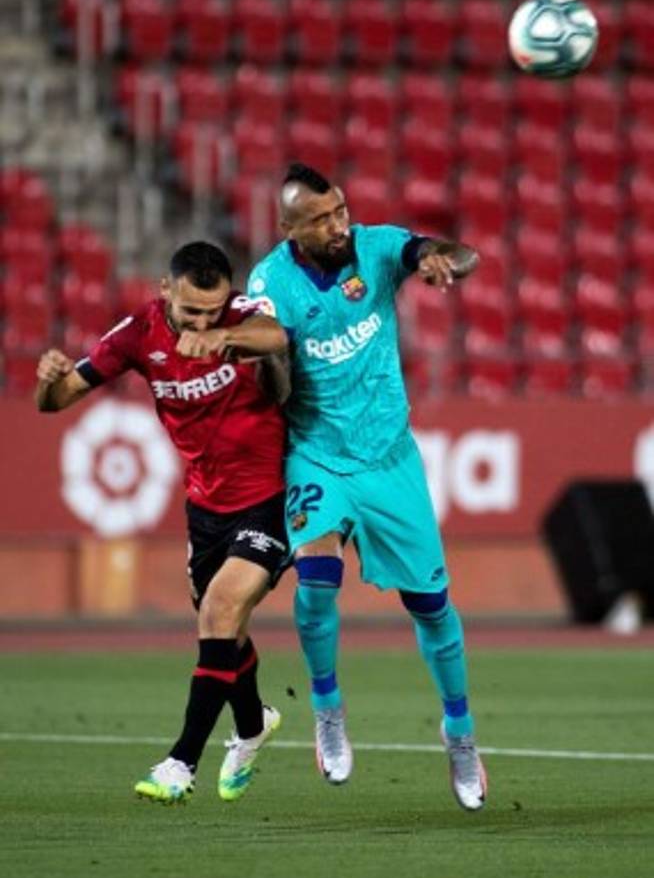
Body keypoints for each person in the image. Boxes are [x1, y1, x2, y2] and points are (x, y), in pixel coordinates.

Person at [245, 162, 488, 811]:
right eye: (321, 219)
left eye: (341, 210)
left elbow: (441, 250)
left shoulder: (376, 249)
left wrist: (445, 262)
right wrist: (271, 367)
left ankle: (460, 734)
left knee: (433, 607)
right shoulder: (271, 283)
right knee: (317, 585)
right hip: (317, 457)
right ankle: (327, 709)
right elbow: (271, 379)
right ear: (288, 227)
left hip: (390, 458)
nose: (338, 225)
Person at [34, 240, 290, 805]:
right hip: (205, 509)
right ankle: (252, 725)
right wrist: (47, 378)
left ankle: (181, 762)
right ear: (165, 290)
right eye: (192, 310)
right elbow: (55, 401)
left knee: (220, 610)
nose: (202, 320)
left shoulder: (243, 320)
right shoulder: (136, 336)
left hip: (271, 497)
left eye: (213, 309)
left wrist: (223, 336)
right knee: (226, 631)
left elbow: (278, 337)